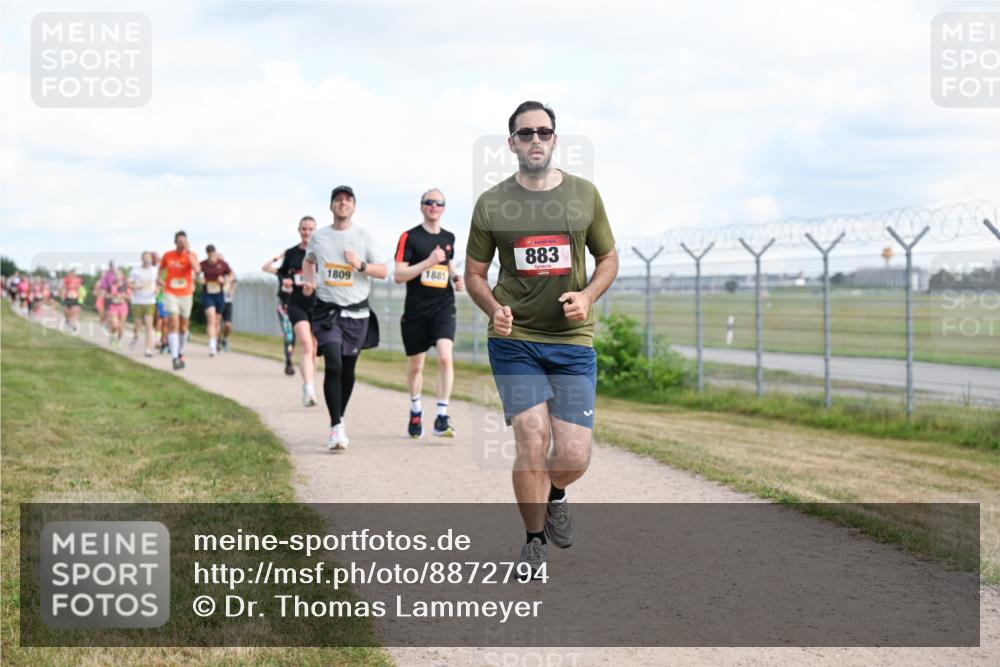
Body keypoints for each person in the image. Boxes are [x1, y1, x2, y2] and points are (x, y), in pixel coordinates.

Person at [464, 101, 619, 572]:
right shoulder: (492, 203)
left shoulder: (584, 195)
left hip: (571, 341)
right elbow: (474, 274)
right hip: (515, 341)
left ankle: (555, 493)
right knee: (532, 439)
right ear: (511, 143)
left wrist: (588, 295)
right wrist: (494, 309)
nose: (535, 139)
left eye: (544, 132)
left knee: (573, 455)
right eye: (526, 133)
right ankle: (534, 541)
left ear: (555, 139)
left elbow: (608, 259)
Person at [303, 186, 387, 451]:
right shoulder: (319, 237)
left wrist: (360, 265)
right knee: (334, 363)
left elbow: (383, 271)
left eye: (348, 200)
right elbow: (309, 261)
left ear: (354, 206)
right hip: (327, 313)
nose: (342, 203)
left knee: (348, 370)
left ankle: (340, 415)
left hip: (357, 314)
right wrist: (309, 281)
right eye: (338, 200)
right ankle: (335, 425)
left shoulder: (364, 237)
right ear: (331, 206)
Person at [393, 188, 464, 438]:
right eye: (429, 202)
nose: (434, 206)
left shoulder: (449, 237)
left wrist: (456, 277)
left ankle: (442, 416)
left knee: (445, 357)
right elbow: (398, 275)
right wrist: (428, 262)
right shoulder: (409, 237)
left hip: (443, 306)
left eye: (439, 203)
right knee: (417, 366)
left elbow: (448, 264)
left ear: (444, 208)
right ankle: (416, 410)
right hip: (416, 311)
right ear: (422, 206)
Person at [263, 216, 319, 403]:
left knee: (315, 348)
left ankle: (310, 383)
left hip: (317, 305)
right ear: (299, 230)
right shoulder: (292, 253)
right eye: (304, 229)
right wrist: (286, 279)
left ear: (315, 231)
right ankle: (308, 389)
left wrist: (315, 284)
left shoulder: (322, 252)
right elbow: (280, 272)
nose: (307, 232)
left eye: (310, 229)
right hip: (297, 304)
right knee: (306, 344)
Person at [159, 231, 200, 370]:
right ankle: (174, 357)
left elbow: (197, 269)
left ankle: (180, 351)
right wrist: (159, 279)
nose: (181, 244)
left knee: (184, 326)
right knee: (173, 323)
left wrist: (188, 253)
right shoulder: (168, 255)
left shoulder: (191, 255)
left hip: (186, 294)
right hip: (171, 292)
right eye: (179, 241)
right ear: (175, 242)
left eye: (184, 241)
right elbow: (161, 269)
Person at [199, 245, 234, 357]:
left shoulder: (222, 264)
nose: (211, 256)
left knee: (217, 321)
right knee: (211, 318)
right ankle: (212, 346)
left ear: (215, 253)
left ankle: (217, 341)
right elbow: (195, 274)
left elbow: (231, 276)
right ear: (207, 254)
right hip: (207, 294)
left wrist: (225, 280)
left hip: (219, 294)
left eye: (213, 254)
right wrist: (199, 279)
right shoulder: (202, 264)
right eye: (209, 254)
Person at [130, 251, 159, 357]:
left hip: (150, 300)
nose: (147, 260)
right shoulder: (135, 270)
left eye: (149, 258)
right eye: (145, 258)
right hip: (137, 300)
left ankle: (148, 349)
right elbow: (129, 284)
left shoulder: (155, 270)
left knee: (149, 325)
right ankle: (136, 335)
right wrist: (137, 287)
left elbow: (159, 282)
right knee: (137, 324)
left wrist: (158, 289)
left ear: (151, 259)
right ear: (142, 259)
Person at [105, 268, 131, 345]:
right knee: (115, 324)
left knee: (121, 327)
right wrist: (112, 295)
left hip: (123, 307)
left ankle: (118, 341)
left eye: (119, 275)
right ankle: (112, 335)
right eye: (116, 275)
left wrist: (124, 295)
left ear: (122, 276)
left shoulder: (126, 286)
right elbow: (106, 295)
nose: (117, 276)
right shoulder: (111, 285)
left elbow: (129, 297)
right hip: (113, 306)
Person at [60, 268, 84, 332]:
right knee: (66, 310)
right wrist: (64, 292)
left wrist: (78, 292)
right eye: (72, 273)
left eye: (74, 273)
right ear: (70, 273)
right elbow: (64, 287)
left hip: (75, 297)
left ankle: (74, 325)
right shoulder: (66, 279)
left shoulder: (78, 279)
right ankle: (67, 321)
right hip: (67, 297)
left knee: (75, 311)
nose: (73, 274)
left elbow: (79, 287)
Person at [95, 261, 116, 332]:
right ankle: (103, 325)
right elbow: (101, 288)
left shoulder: (116, 274)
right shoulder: (106, 275)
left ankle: (108, 325)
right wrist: (101, 294)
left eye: (113, 266)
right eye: (111, 265)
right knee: (103, 313)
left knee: (109, 313)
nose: (112, 267)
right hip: (104, 297)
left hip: (112, 297)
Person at [220, 269, 236, 352]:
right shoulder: (215, 274)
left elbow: (234, 283)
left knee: (228, 325)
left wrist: (232, 290)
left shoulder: (230, 275)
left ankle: (225, 339)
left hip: (227, 302)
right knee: (216, 324)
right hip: (217, 302)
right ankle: (217, 342)